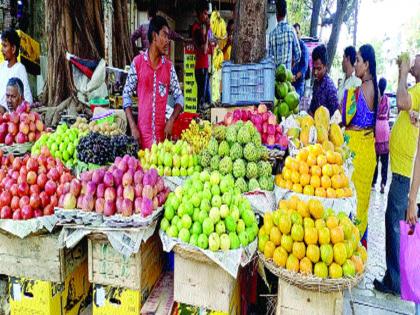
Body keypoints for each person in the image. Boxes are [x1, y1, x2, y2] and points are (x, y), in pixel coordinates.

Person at [374, 53, 420, 295]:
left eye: (418, 58)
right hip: (400, 170)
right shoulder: (417, 90)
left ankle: (395, 280)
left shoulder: (419, 89)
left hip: (404, 172)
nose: (414, 60)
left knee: (393, 223)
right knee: (394, 221)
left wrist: (403, 73)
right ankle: (395, 276)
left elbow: (401, 101)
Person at [122, 16, 183, 149]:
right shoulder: (137, 63)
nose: (168, 41)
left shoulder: (168, 67)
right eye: (165, 36)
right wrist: (133, 126)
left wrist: (171, 120)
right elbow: (126, 95)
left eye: (168, 37)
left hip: (162, 144)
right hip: (141, 140)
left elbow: (179, 98)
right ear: (154, 36)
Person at [341, 44, 379, 247]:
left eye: (357, 61)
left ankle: (352, 248)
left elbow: (347, 118)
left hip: (359, 154)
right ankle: (359, 247)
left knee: (355, 203)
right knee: (361, 204)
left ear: (367, 64)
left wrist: (349, 92)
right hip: (366, 150)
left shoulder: (361, 89)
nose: (355, 65)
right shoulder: (375, 88)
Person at [0, 28, 32, 112]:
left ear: (13, 48)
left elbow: (28, 101)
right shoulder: (2, 66)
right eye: (2, 46)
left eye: (5, 46)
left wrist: (8, 110)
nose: (2, 49)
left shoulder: (20, 69)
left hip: (10, 119)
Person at [268, 0, 301, 70]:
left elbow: (269, 59)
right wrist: (291, 64)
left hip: (276, 78)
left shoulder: (271, 35)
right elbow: (298, 55)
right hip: (287, 78)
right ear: (285, 12)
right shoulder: (291, 30)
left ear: (276, 13)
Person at [309, 44, 339, 116]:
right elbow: (312, 107)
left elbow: (335, 116)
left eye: (319, 69)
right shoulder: (316, 82)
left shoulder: (330, 88)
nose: (315, 72)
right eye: (314, 68)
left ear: (325, 67)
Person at [191, 0, 211, 109]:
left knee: (205, 97)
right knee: (202, 99)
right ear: (199, 13)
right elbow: (204, 49)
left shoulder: (201, 27)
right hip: (200, 67)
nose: (206, 15)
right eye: (204, 13)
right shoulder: (197, 29)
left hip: (204, 66)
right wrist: (207, 30)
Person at [372, 78, 390, 194]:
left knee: (375, 158)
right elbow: (388, 115)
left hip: (377, 127)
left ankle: (373, 182)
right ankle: (383, 182)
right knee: (385, 159)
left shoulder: (375, 98)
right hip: (385, 128)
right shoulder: (387, 99)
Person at [292, 23, 309, 98]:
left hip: (298, 84)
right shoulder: (291, 47)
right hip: (290, 83)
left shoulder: (304, 48)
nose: (296, 35)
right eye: (294, 33)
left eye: (297, 33)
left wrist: (295, 77)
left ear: (300, 34)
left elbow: (304, 67)